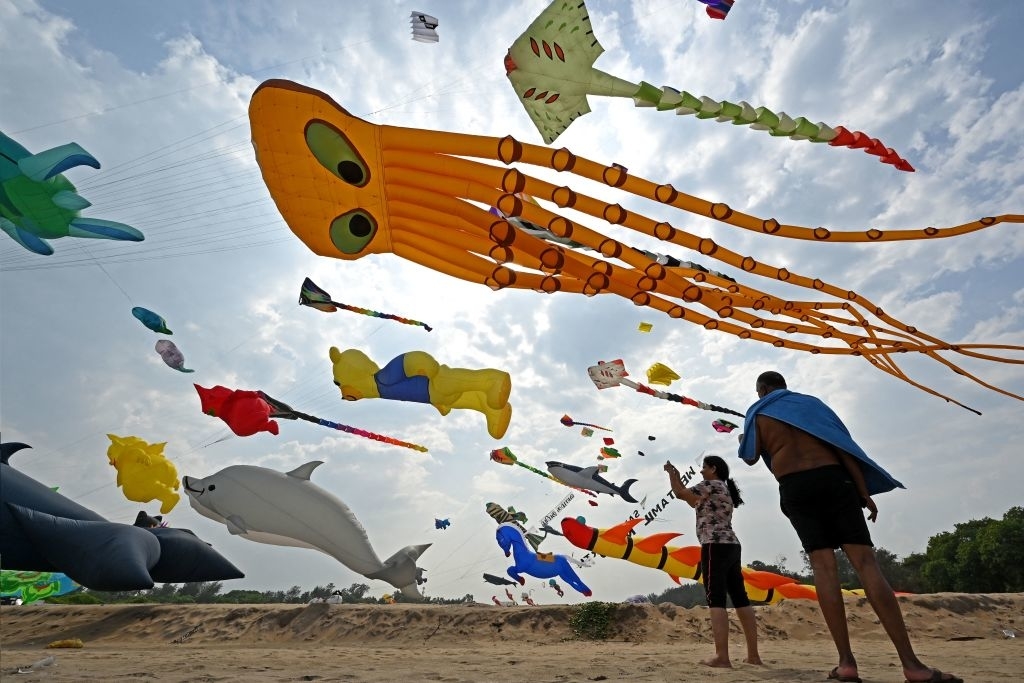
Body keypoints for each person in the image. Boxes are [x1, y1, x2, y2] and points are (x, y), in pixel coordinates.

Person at [737, 371, 963, 683]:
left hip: (795, 487)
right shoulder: (811, 404)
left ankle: (846, 664)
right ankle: (912, 665)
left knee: (824, 569)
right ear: (785, 387)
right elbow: (843, 447)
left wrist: (744, 437)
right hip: (835, 480)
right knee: (867, 564)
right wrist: (864, 492)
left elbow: (749, 456)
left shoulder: (758, 412)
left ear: (761, 389)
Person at [664, 454, 762, 669]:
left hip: (714, 545)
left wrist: (672, 475)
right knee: (740, 598)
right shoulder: (723, 488)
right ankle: (753, 655)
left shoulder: (710, 484)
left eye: (704, 467)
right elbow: (691, 500)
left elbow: (681, 494)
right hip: (731, 545)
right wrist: (678, 477)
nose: (701, 471)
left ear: (713, 469)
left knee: (715, 599)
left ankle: (722, 657)